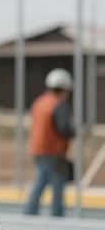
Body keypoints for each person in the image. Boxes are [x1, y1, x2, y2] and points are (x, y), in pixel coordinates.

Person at [23, 68, 75, 217]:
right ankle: (57, 217)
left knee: (40, 182)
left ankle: (29, 212)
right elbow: (64, 129)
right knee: (58, 185)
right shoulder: (59, 105)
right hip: (54, 151)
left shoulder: (40, 102)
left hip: (38, 149)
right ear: (64, 89)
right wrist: (76, 132)